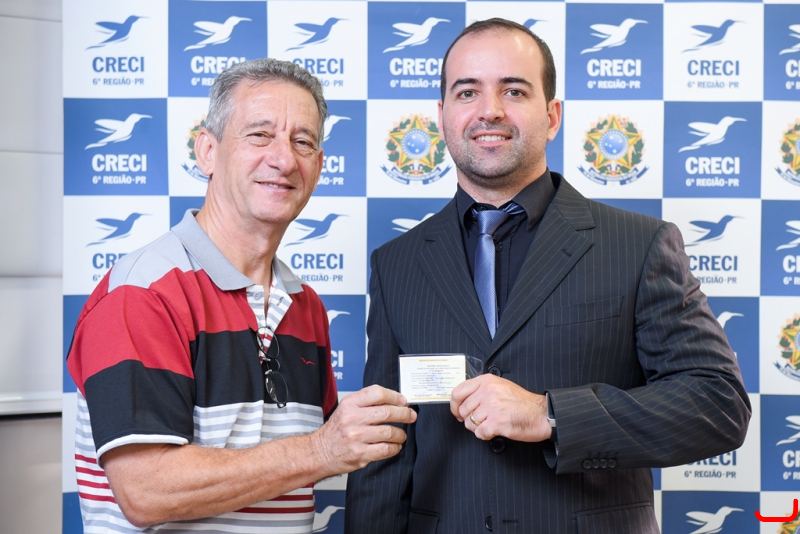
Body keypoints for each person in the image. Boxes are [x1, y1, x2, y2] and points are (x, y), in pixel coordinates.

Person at [345, 18, 750, 534]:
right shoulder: (396, 264)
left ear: (552, 116)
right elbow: (384, 445)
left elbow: (717, 404)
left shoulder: (638, 244)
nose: (489, 110)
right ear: (442, 116)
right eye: (467, 92)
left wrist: (550, 415)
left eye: (513, 90)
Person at [67, 58, 416, 533]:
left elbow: (307, 462)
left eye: (303, 142)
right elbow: (145, 491)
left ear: (319, 167)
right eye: (259, 135)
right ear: (207, 152)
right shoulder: (143, 292)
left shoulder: (305, 305)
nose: (284, 159)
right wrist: (322, 449)